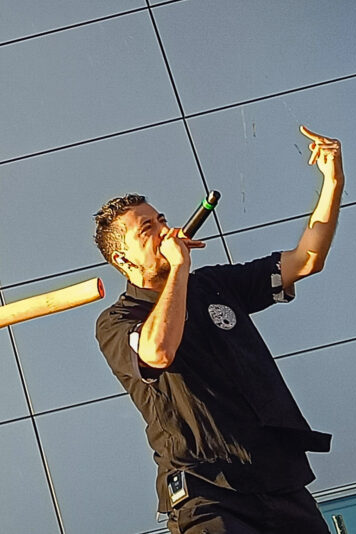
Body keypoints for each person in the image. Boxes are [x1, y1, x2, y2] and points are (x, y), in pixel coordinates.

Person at [93, 126, 343, 534]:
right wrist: (179, 269)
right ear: (123, 258)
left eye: (162, 220)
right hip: (206, 492)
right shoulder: (118, 320)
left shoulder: (215, 285)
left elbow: (305, 260)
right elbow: (157, 352)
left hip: (278, 479)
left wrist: (333, 181)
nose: (164, 231)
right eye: (147, 230)